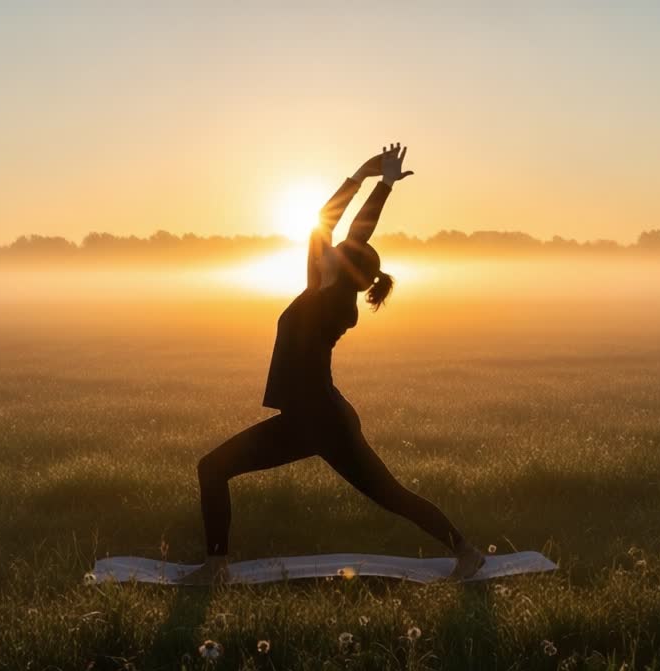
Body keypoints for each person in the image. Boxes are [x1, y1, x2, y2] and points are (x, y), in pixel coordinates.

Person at [181, 143, 485, 584]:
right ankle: (216, 565)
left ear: (343, 269)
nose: (323, 248)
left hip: (322, 421)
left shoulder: (335, 304)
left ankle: (467, 552)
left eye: (335, 250)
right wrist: (360, 174)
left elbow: (357, 232)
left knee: (389, 495)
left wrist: (383, 186)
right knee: (213, 469)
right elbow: (324, 221)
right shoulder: (316, 288)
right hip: (311, 417)